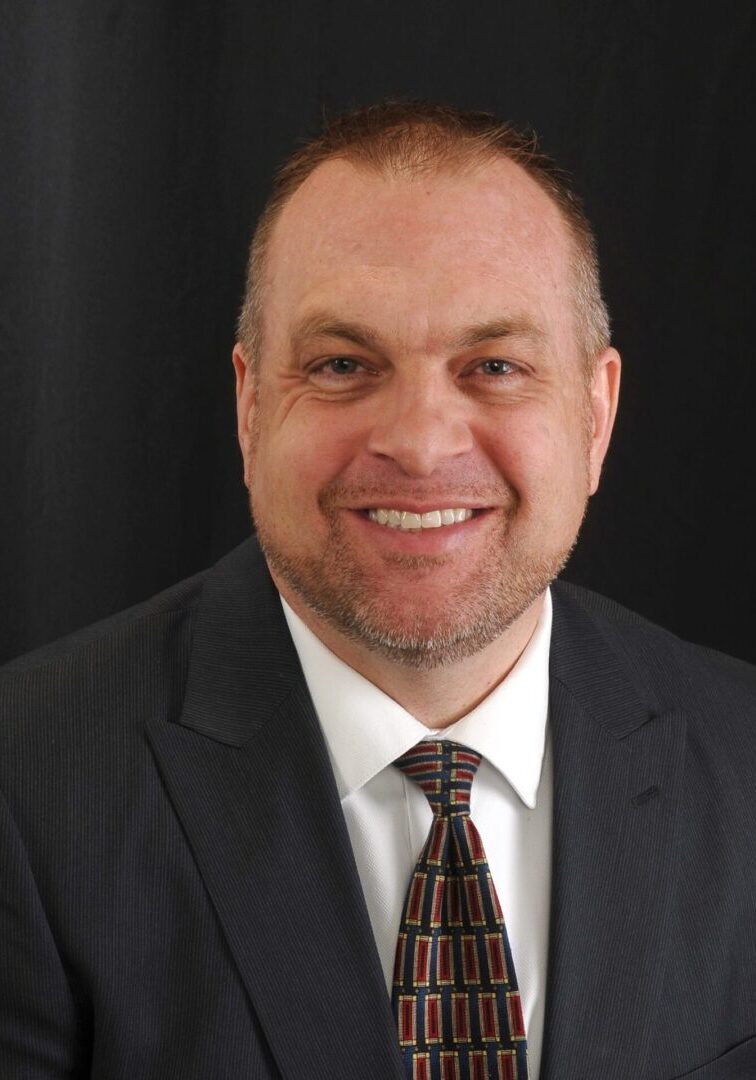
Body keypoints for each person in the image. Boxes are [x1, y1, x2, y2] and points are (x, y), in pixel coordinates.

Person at [0, 102, 754, 1080]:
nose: (422, 441)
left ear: (596, 413)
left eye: (494, 365)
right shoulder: (25, 790)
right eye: (344, 365)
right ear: (250, 403)